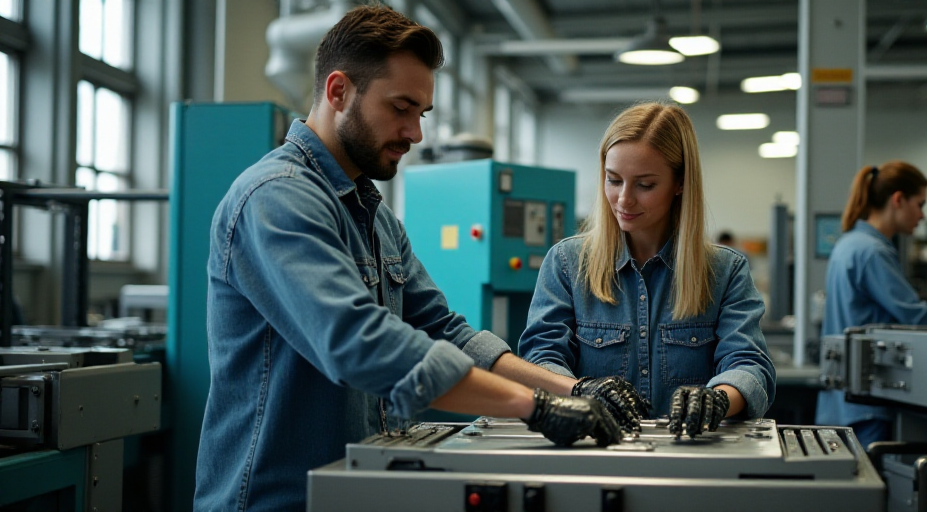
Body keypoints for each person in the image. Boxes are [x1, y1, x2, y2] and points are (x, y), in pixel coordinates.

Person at [194, 6, 644, 511]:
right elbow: (357, 343)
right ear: (339, 91)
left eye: (422, 114)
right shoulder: (276, 199)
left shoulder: (375, 215)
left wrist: (575, 388)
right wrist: (533, 407)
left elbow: (445, 330)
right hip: (279, 500)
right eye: (401, 108)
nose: (416, 133)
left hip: (358, 488)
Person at [519, 102, 776, 438]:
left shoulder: (725, 271)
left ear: (680, 183)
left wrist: (719, 398)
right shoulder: (567, 264)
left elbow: (749, 365)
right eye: (613, 180)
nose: (624, 200)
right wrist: (581, 389)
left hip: (691, 459)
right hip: (593, 452)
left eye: (645, 185)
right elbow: (540, 357)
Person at [815, 160, 927, 448]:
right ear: (898, 200)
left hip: (840, 400)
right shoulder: (872, 251)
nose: (922, 215)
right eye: (920, 204)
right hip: (866, 403)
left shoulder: (849, 243)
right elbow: (912, 311)